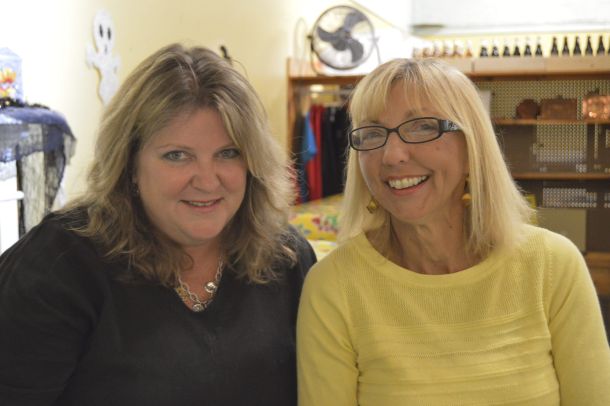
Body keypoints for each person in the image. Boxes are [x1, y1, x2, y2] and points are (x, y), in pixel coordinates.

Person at [0, 43, 316, 406]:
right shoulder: (58, 264)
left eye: (228, 153)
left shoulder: (287, 259)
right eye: (177, 156)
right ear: (130, 164)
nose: (207, 180)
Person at [297, 58, 610, 405]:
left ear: (471, 145)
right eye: (372, 133)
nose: (392, 155)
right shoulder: (333, 286)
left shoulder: (552, 266)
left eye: (422, 127)